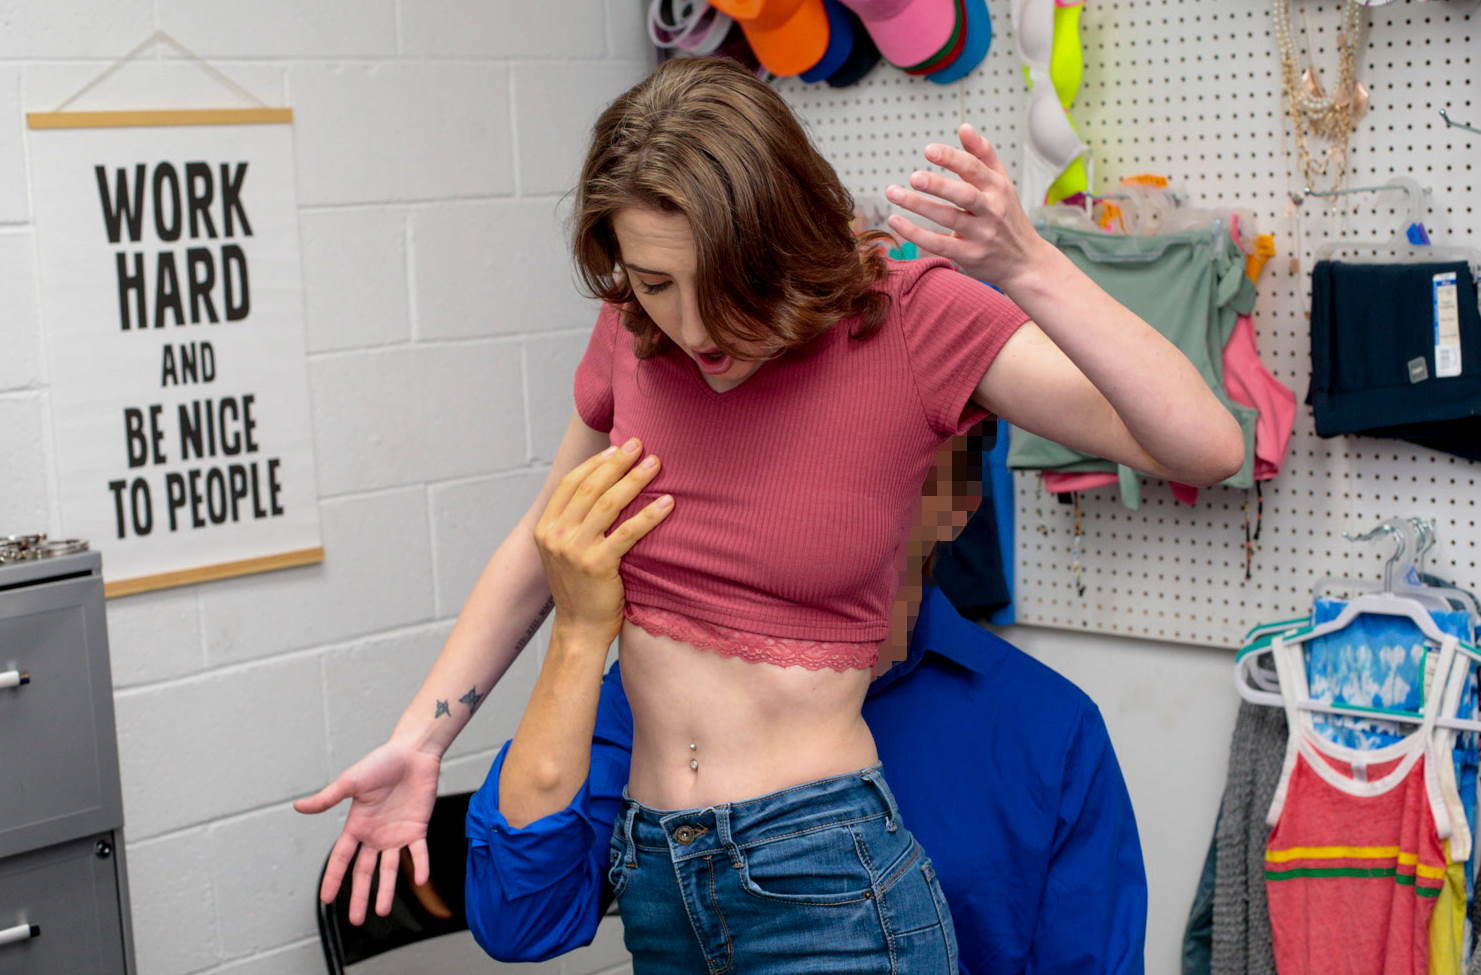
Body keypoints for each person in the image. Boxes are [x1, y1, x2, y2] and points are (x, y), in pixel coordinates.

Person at [294, 55, 1241, 970]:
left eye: (723, 283)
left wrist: (1029, 265)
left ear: (785, 237)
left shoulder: (906, 318)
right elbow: (543, 537)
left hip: (825, 878)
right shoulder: (632, 331)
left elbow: (1204, 446)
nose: (692, 327)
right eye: (655, 282)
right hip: (660, 876)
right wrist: (420, 738)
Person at [465, 426, 1149, 972]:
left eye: (860, 464)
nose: (807, 501)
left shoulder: (1047, 727)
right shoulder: (666, 695)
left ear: (957, 501)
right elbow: (520, 922)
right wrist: (578, 633)